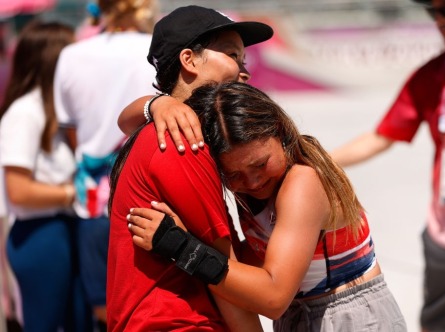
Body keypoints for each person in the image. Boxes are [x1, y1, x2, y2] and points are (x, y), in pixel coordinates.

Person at [124, 81, 407, 331]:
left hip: (348, 316)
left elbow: (273, 298)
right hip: (304, 314)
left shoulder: (302, 182)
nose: (253, 181)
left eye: (260, 164)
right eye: (233, 175)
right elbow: (126, 124)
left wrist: (180, 246)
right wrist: (159, 104)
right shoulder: (257, 187)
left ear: (280, 130)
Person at [328, 0, 445, 331]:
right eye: (432, 12)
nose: (438, 20)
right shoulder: (432, 75)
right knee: (438, 326)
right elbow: (381, 137)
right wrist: (315, 161)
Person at [106, 5, 274, 331]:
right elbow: (224, 275)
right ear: (189, 60)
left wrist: (155, 103)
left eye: (244, 60)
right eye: (232, 55)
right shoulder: (182, 142)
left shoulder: (161, 131)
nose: (245, 72)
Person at [53, 0, 158, 329]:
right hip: (152, 196)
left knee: (104, 307)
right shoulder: (158, 50)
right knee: (153, 303)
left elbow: (69, 129)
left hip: (94, 199)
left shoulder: (72, 54)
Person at [0, 20, 92, 332]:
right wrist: (75, 191)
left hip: (62, 231)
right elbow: (19, 191)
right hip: (40, 235)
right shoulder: (25, 113)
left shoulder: (55, 111)